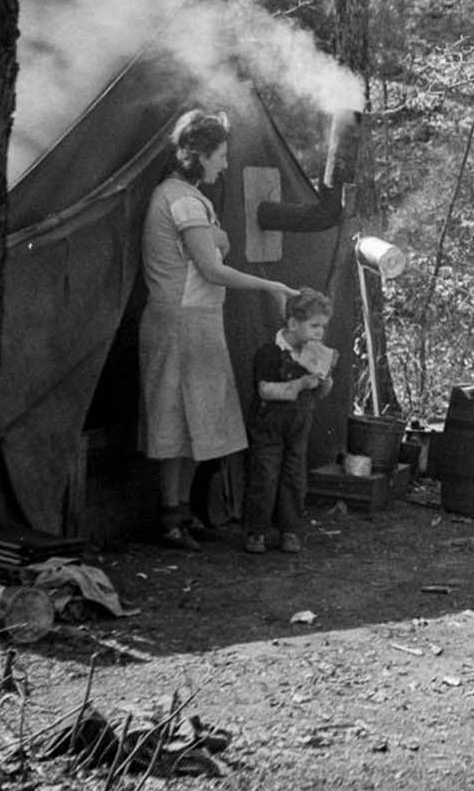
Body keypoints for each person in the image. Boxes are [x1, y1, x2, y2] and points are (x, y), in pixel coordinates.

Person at [139, 109, 296, 549]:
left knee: (198, 422)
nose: (225, 164)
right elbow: (212, 267)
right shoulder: (182, 200)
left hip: (199, 320)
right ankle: (170, 519)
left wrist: (218, 240)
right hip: (180, 321)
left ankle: (183, 513)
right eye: (221, 155)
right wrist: (270, 284)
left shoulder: (189, 197)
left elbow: (217, 248)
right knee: (174, 420)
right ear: (197, 155)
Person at [245, 287, 336, 556]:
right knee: (265, 476)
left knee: (295, 478)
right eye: (314, 325)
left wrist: (324, 380)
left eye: (323, 327)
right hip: (269, 426)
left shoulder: (314, 354)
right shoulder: (270, 352)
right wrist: (299, 383)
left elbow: (320, 393)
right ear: (293, 323)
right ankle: (257, 531)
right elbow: (265, 390)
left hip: (298, 428)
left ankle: (290, 530)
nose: (320, 332)